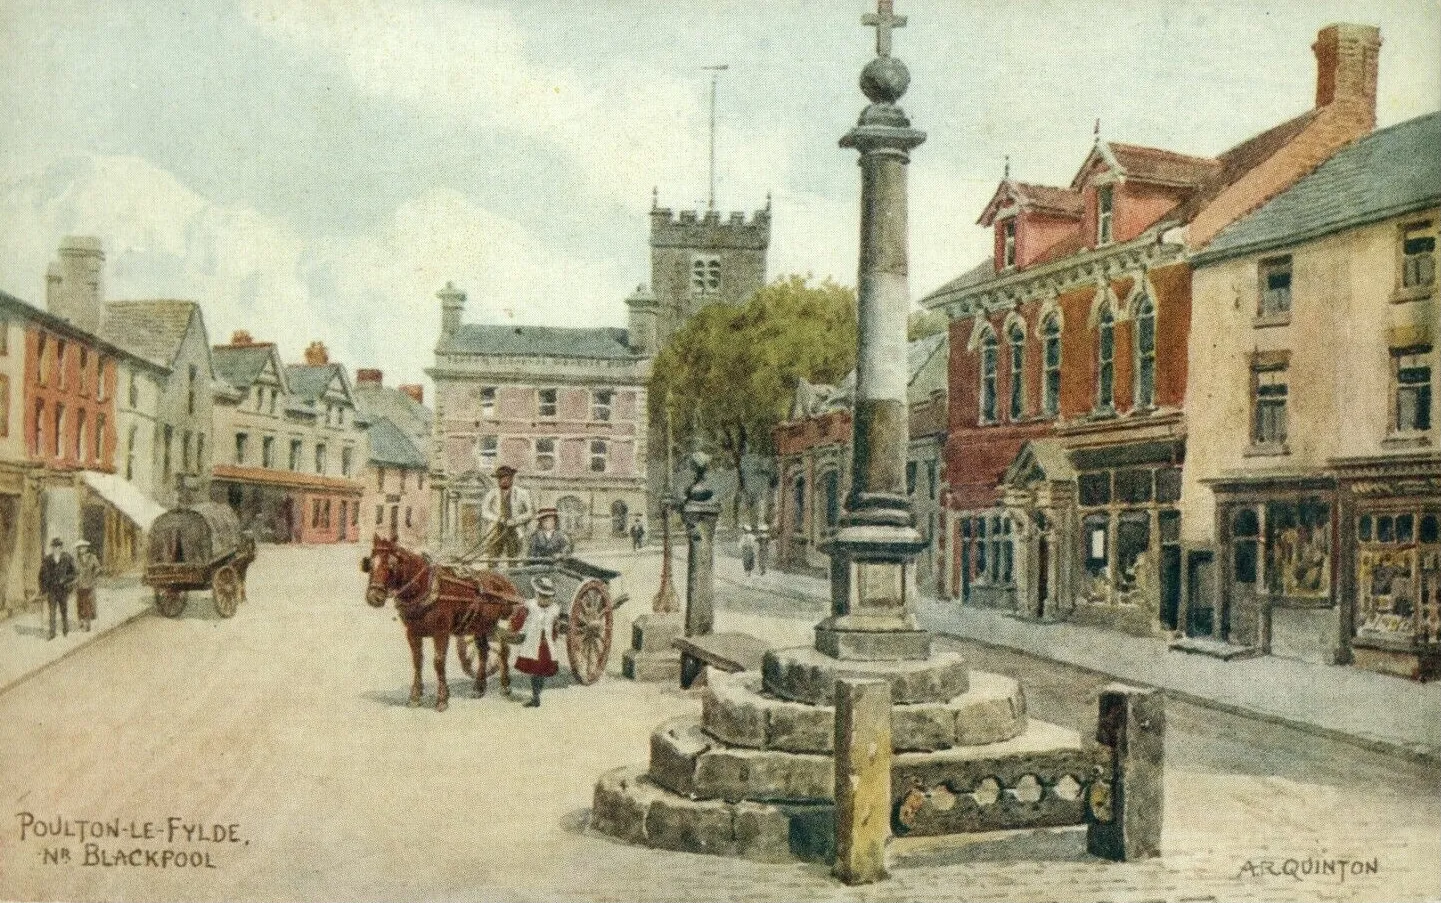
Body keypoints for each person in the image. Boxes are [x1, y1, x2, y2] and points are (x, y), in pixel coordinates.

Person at [508, 576, 562, 707]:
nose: (544, 599)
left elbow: (555, 628)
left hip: (546, 646)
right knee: (535, 672)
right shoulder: (530, 606)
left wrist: (556, 630)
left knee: (540, 672)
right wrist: (516, 629)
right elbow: (521, 621)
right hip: (533, 644)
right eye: (542, 596)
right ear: (536, 594)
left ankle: (536, 696)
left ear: (551, 597)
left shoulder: (555, 609)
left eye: (547, 597)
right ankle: (536, 696)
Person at [481, 464, 534, 560]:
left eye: (506, 477)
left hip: (514, 530)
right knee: (493, 558)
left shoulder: (522, 493)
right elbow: (484, 511)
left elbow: (530, 512)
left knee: (513, 558)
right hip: (496, 529)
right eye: (500, 478)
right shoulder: (492, 494)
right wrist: (497, 519)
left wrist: (515, 520)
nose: (504, 480)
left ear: (512, 478)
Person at [39, 537, 76, 640]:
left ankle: (65, 628)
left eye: (58, 546)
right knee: (52, 612)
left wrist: (66, 579)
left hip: (63, 589)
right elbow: (41, 575)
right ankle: (52, 633)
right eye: (54, 547)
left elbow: (74, 573)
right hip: (52, 590)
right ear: (52, 548)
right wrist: (43, 589)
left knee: (64, 610)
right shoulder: (47, 559)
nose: (56, 549)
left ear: (61, 547)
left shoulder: (67, 558)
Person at [74, 541, 101, 632]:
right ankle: (81, 620)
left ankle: (87, 623)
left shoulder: (92, 557)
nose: (81, 549)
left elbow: (98, 567)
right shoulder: (77, 560)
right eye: (80, 548)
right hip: (80, 585)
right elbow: (74, 571)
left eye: (83, 547)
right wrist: (75, 577)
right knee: (80, 603)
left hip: (89, 584)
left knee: (88, 603)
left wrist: (95, 574)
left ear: (86, 548)